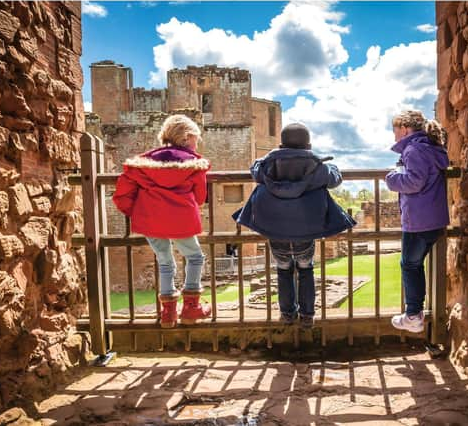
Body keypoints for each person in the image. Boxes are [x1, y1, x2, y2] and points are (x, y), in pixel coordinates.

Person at [233, 123, 356, 328]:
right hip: (305, 227)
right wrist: (330, 166)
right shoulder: (316, 167)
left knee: (283, 269)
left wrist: (267, 157)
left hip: (276, 228)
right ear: (308, 145)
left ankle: (287, 314)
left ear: (281, 145)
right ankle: (307, 316)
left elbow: (255, 170)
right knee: (305, 269)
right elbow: (335, 178)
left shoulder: (269, 165)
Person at [112, 114, 212, 328]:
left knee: (165, 261)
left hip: (150, 219)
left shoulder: (144, 162)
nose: (197, 143)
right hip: (181, 218)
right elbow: (201, 197)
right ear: (186, 138)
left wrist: (137, 212)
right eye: (196, 138)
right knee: (194, 257)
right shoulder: (194, 163)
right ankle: (191, 308)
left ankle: (168, 313)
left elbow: (123, 192)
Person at [385, 110, 449, 333]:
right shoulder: (430, 147)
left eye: (394, 130)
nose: (394, 136)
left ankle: (413, 315)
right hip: (434, 219)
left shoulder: (413, 150)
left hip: (419, 220)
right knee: (414, 264)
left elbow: (414, 182)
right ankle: (416, 313)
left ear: (404, 129)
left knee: (409, 265)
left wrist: (391, 179)